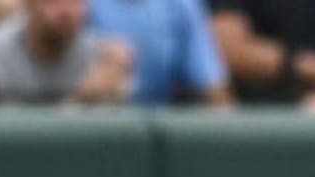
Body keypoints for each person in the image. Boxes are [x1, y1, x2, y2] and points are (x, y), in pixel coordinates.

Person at [0, 0, 130, 103]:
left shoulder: (98, 58)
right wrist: (78, 104)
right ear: (28, 4)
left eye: (75, 2)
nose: (66, 11)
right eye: (53, 2)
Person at [87, 0, 230, 105]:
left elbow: (210, 86)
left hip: (161, 128)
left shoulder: (183, 5)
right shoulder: (83, 6)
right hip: (94, 121)